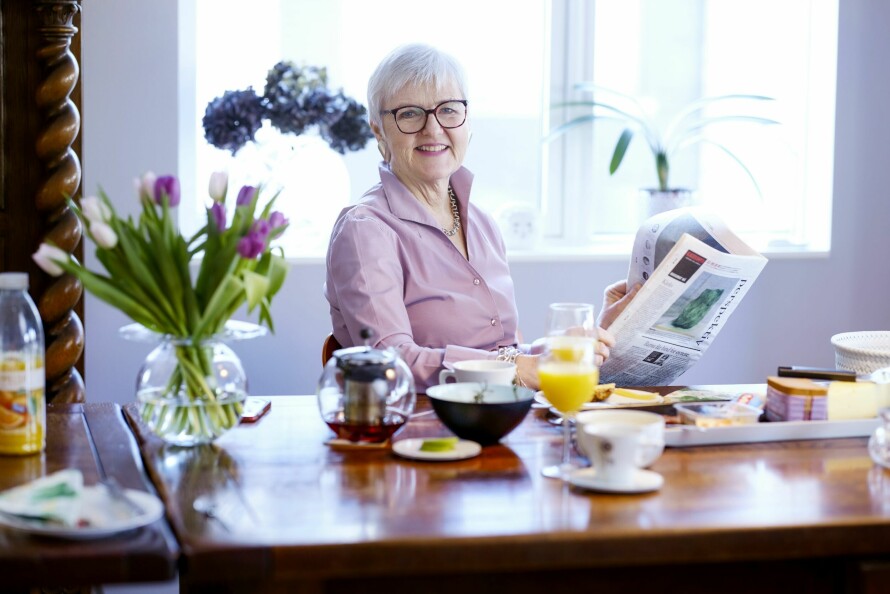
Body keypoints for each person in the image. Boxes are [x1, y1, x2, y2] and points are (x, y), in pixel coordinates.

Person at [324, 44, 635, 392]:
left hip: (495, 420)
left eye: (449, 110)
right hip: (417, 430)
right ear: (379, 130)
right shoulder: (366, 231)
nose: (433, 128)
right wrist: (518, 367)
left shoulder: (483, 223)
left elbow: (503, 356)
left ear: (467, 121)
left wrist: (577, 345)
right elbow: (390, 360)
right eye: (410, 114)